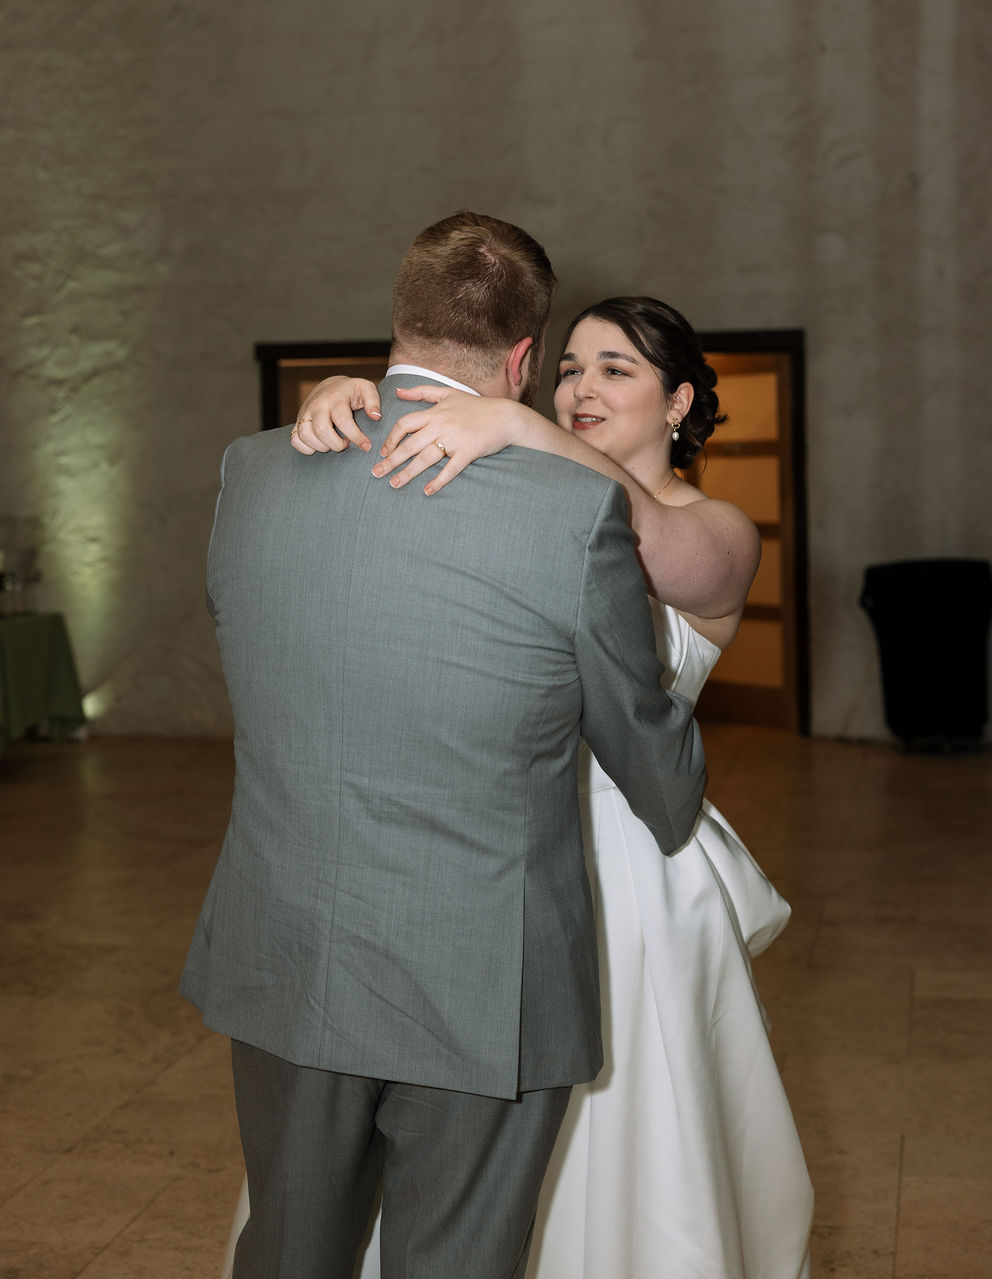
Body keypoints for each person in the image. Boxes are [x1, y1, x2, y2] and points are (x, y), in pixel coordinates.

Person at [184, 214, 710, 1279]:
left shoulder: (254, 470)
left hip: (290, 945)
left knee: (287, 1250)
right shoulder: (573, 512)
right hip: (481, 978)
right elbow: (651, 764)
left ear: (399, 323)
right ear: (523, 359)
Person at [258, 293, 815, 1279]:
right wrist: (352, 404)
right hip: (471, 859)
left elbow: (642, 533)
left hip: (629, 874)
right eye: (567, 369)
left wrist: (519, 427)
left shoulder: (718, 529)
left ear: (679, 401)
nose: (579, 388)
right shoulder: (515, 485)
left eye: (615, 369)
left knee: (620, 1145)